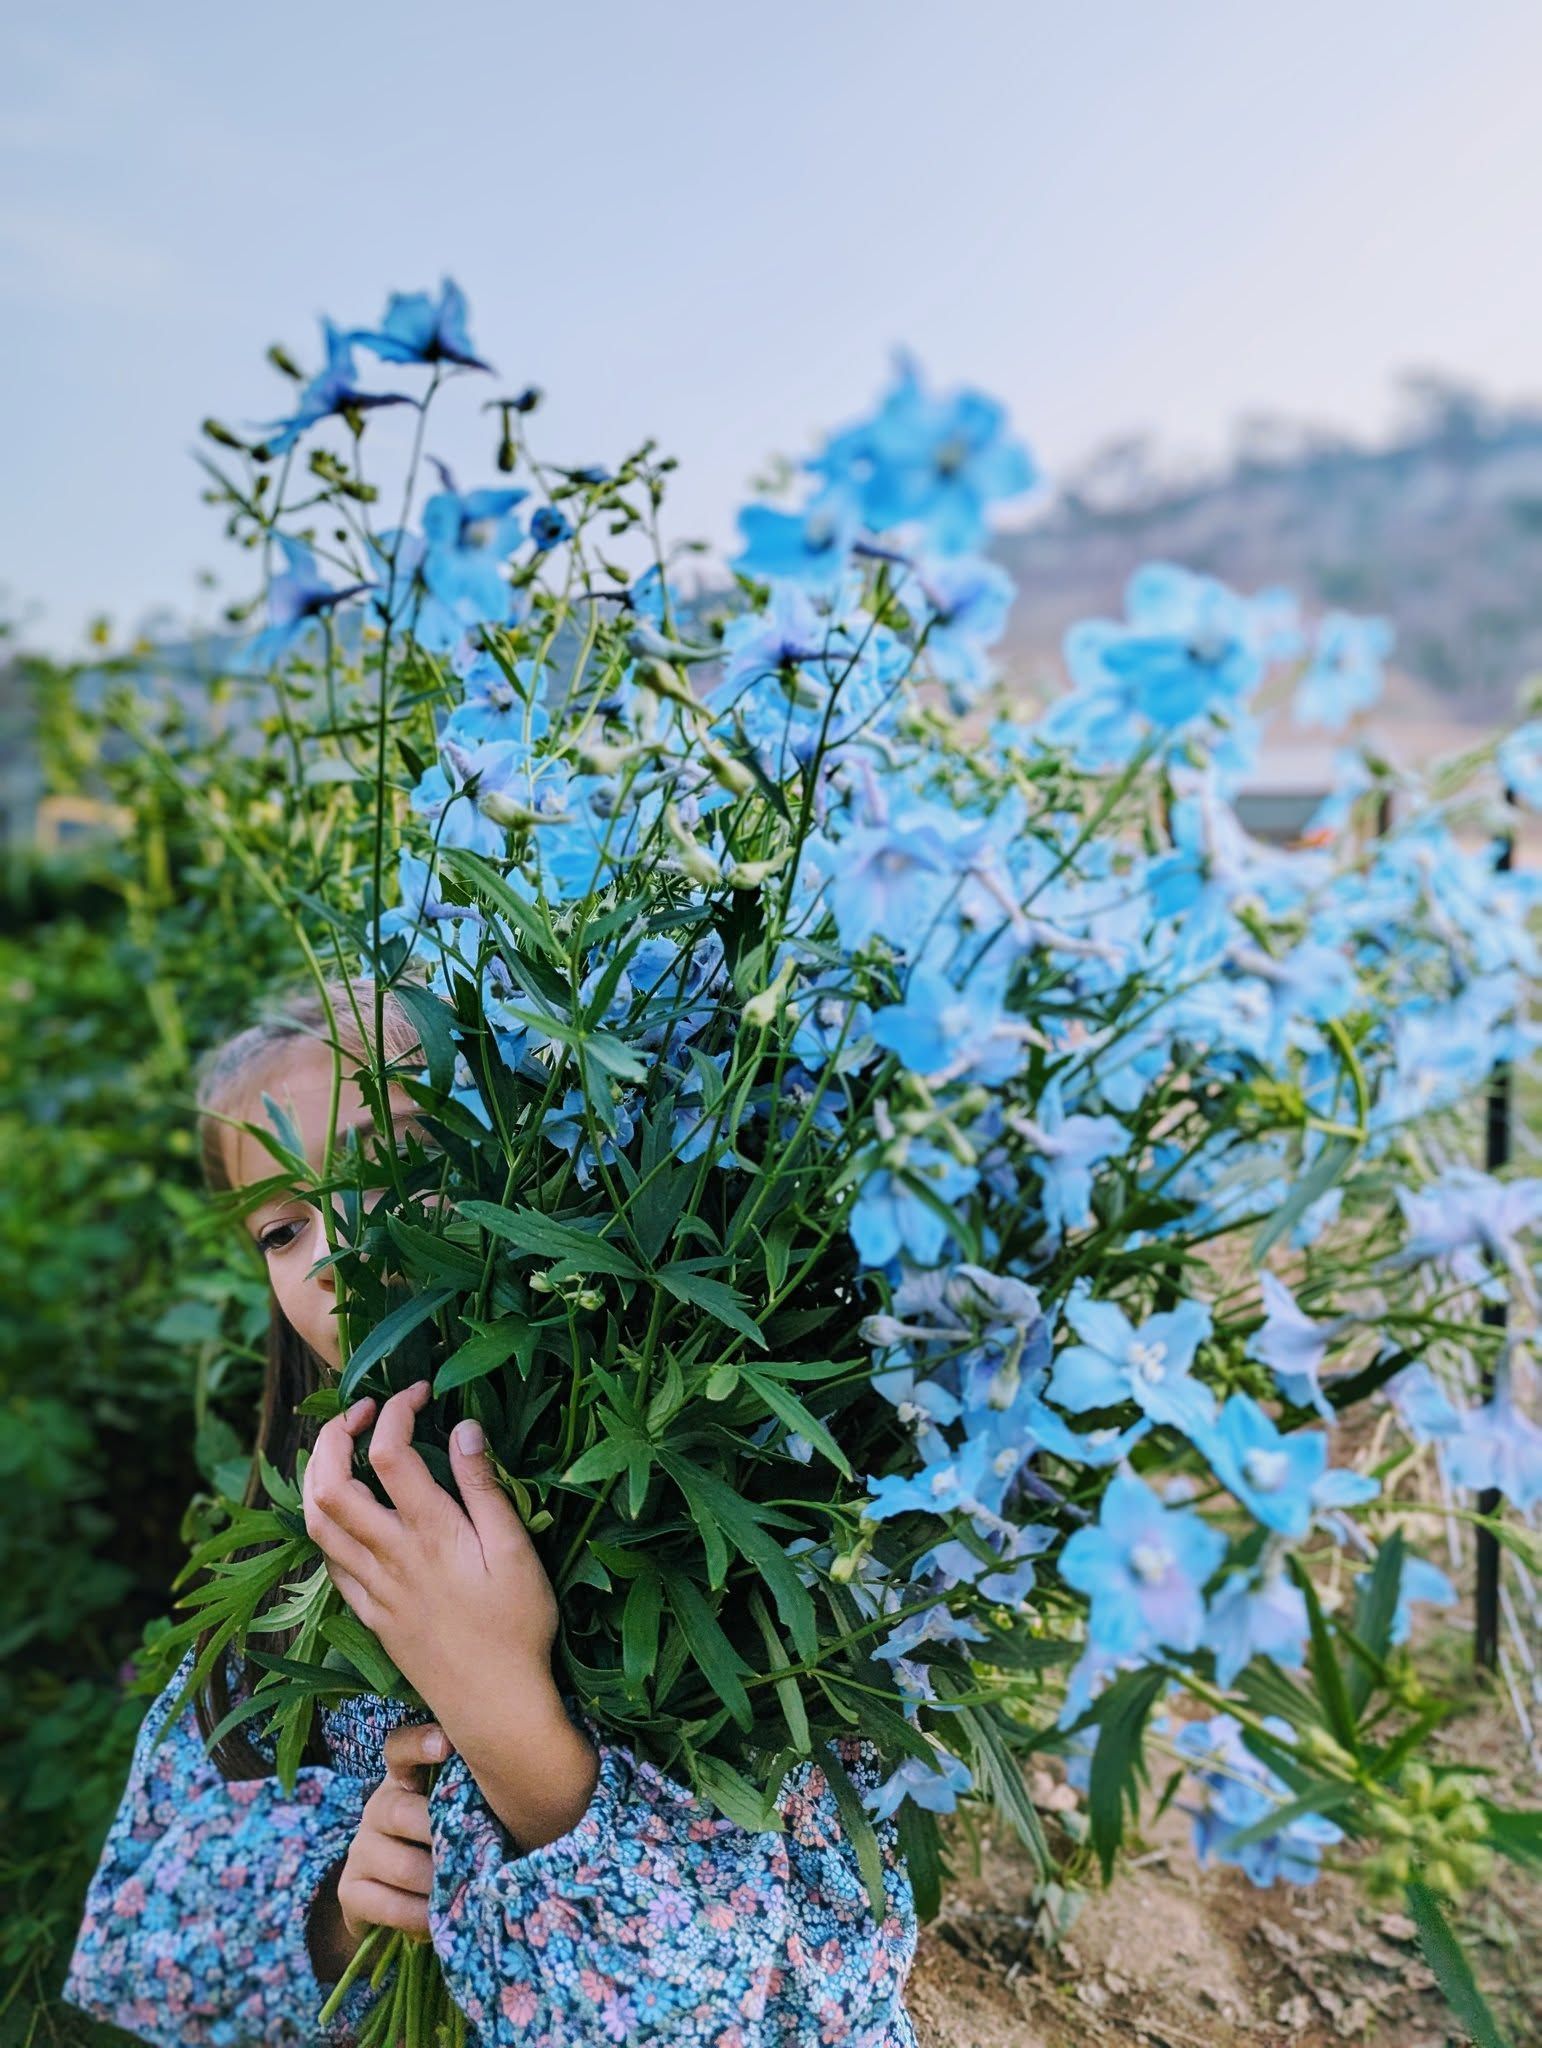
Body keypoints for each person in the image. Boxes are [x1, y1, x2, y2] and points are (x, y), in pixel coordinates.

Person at [60, 977, 921, 2047]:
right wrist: (334, 1910)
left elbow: (796, 2003)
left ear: (543, 1149)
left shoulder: (745, 1552)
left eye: (399, 1161)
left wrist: (507, 1714)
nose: (338, 1248)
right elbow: (135, 1940)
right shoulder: (295, 1570)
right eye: (282, 1226)